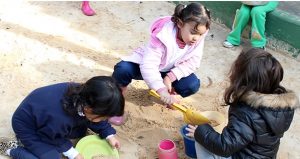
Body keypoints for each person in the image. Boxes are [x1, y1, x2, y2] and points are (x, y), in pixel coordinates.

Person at [186, 48, 299, 159]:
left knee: (201, 142)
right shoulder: (283, 108)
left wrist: (200, 131)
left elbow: (224, 147)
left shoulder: (245, 112)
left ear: (243, 80)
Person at [0, 76, 125, 159]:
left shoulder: (87, 95)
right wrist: (74, 154)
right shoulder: (59, 117)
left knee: (82, 126)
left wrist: (109, 135)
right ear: (88, 108)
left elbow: (95, 117)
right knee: (52, 157)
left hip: (49, 121)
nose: (104, 120)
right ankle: (11, 149)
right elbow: (52, 136)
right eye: (104, 118)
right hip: (29, 127)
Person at [112, 2, 211, 106]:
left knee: (192, 84)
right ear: (180, 24)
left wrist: (170, 77)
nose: (196, 38)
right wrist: (161, 90)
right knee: (123, 69)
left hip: (169, 70)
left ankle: (171, 96)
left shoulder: (197, 36)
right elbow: (149, 65)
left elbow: (193, 62)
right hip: (147, 65)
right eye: (193, 33)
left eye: (200, 34)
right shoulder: (163, 34)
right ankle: (117, 98)